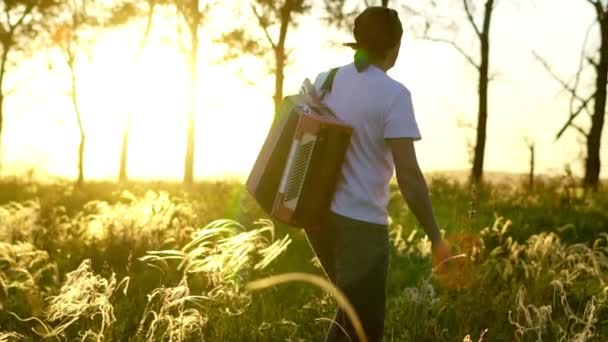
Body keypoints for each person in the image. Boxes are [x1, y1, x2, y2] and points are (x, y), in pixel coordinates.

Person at [305, 6, 451, 342]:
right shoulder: (394, 95)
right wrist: (435, 237)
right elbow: (410, 178)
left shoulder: (324, 81)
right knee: (363, 331)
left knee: (347, 320)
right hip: (362, 229)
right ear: (394, 47)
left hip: (316, 220)